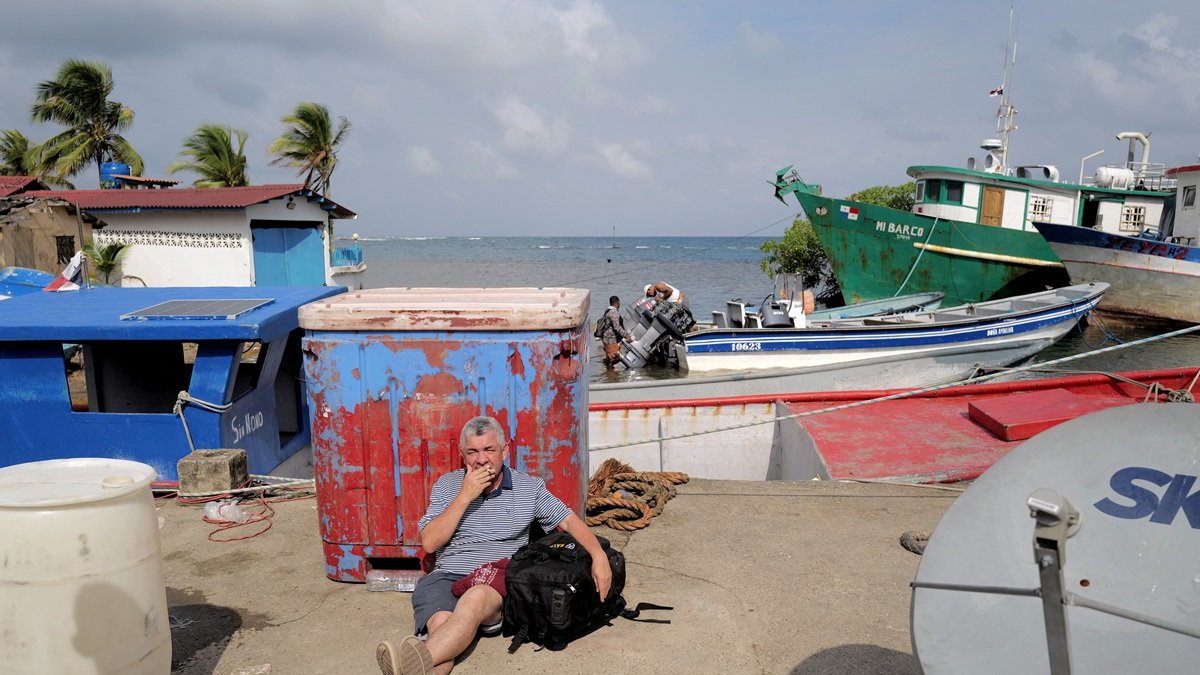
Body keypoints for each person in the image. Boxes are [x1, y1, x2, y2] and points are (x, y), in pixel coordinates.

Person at [376, 416, 613, 675]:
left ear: (505, 450)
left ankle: (402, 667)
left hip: (493, 579)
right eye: (472, 452)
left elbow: (568, 521)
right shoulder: (447, 485)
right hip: (446, 576)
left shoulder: (528, 487)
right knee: (442, 632)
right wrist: (465, 495)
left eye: (489, 450)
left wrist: (598, 555)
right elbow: (431, 542)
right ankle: (409, 668)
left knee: (474, 598)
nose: (481, 459)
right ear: (462, 454)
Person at [599, 295, 632, 368]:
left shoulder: (608, 311)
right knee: (614, 359)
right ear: (618, 302)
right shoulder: (614, 313)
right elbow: (617, 327)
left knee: (609, 360)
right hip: (610, 339)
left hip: (607, 338)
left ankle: (607, 374)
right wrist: (627, 336)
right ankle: (612, 377)